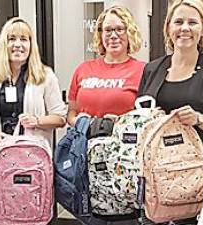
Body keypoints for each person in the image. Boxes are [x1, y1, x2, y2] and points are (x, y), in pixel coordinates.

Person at [138, 0, 203, 224]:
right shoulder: (152, 69)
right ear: (168, 28)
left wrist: (199, 119)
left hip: (195, 179)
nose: (185, 28)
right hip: (157, 181)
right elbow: (141, 117)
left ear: (202, 29)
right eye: (178, 22)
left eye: (192, 22)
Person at [0, 17, 67, 223]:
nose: (18, 44)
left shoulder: (45, 76)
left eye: (24, 39)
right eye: (12, 39)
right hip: (0, 163)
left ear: (31, 45)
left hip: (34, 164)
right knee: (3, 216)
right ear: (4, 44)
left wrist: (37, 121)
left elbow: (60, 117)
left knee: (36, 217)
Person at [67, 5, 145, 225]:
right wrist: (83, 123)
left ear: (129, 33)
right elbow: (71, 113)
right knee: (88, 216)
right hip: (85, 159)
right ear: (100, 35)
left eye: (120, 29)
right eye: (107, 30)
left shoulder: (142, 71)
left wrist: (118, 124)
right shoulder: (84, 69)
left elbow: (147, 119)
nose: (113, 35)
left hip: (123, 164)